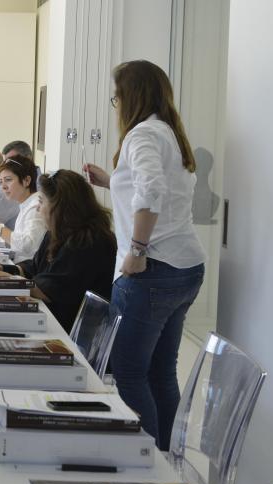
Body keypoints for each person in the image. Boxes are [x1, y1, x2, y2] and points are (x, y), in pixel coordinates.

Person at [83, 59, 205, 451]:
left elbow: (151, 191)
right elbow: (151, 188)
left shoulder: (141, 135)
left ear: (131, 96)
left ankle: (145, 463)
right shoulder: (169, 133)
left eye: (117, 97)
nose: (115, 104)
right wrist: (111, 180)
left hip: (152, 269)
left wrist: (136, 251)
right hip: (185, 267)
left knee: (129, 371)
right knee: (160, 374)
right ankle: (166, 462)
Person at [0, 170, 116, 332]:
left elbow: (49, 290)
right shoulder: (57, 232)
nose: (38, 209)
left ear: (60, 205)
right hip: (51, 318)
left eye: (41, 202)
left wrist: (11, 281)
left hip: (67, 328)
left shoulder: (89, 241)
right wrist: (5, 269)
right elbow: (35, 267)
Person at [0, 155, 45, 262]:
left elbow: (28, 245)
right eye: (1, 181)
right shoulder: (26, 204)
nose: (3, 186)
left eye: (8, 180)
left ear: (26, 180)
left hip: (27, 272)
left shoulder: (36, 206)